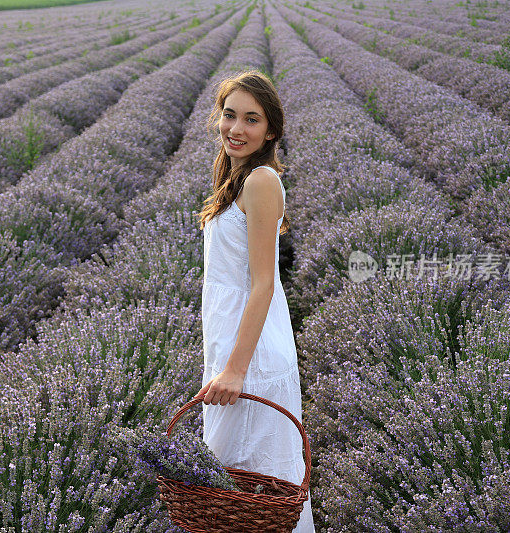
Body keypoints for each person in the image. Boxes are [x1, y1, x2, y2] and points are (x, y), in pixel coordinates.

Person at [196, 70, 315, 532]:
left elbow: (264, 284)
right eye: (229, 115)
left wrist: (235, 369)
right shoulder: (236, 176)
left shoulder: (261, 182)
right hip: (232, 341)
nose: (236, 129)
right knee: (232, 482)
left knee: (255, 480)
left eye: (251, 119)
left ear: (271, 131)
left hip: (252, 353)